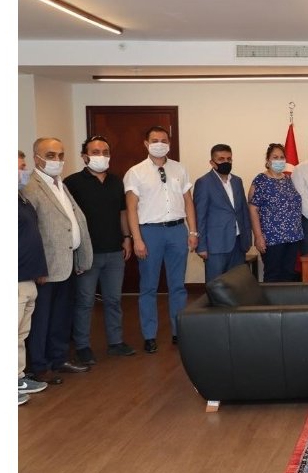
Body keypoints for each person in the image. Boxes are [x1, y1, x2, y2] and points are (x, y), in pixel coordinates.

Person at [22, 138, 94, 382]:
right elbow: (31, 232)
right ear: (37, 158)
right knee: (42, 319)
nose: (57, 160)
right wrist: (38, 267)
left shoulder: (59, 183)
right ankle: (39, 366)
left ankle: (58, 358)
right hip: (46, 267)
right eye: (51, 155)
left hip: (67, 262)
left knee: (62, 316)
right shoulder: (30, 187)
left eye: (61, 155)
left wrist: (80, 256)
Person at [124, 125, 197, 353]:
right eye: (155, 140)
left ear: (169, 143)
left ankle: (178, 332)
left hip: (177, 231)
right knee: (149, 286)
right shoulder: (135, 172)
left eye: (164, 140)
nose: (160, 144)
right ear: (146, 144)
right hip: (150, 233)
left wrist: (193, 231)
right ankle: (149, 335)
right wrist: (137, 239)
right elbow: (131, 208)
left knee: (178, 286)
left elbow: (188, 201)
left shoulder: (179, 168)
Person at [64, 135, 136, 365]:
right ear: (84, 156)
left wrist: (127, 238)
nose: (101, 156)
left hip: (114, 252)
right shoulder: (72, 183)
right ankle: (82, 347)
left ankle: (116, 342)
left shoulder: (116, 181)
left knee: (113, 300)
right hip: (87, 253)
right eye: (95, 152)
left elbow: (122, 212)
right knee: (85, 302)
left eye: (105, 152)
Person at [194, 143, 253, 282]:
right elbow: (200, 216)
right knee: (217, 285)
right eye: (221, 159)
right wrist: (201, 246)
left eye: (229, 159)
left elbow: (244, 211)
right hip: (215, 245)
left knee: (237, 284)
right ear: (212, 162)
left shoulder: (237, 181)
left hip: (238, 243)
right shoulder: (203, 182)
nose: (226, 162)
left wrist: (248, 239)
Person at [249, 144, 304, 282]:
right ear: (268, 160)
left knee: (289, 274)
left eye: (281, 157)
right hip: (272, 238)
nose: (279, 160)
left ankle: (285, 297)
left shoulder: (288, 179)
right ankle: (271, 298)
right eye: (275, 157)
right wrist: (258, 236)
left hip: (293, 237)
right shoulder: (261, 180)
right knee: (273, 275)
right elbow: (253, 209)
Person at [18, 151, 48, 404]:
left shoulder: (21, 199)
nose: (23, 171)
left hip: (27, 277)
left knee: (20, 333)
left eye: (23, 165)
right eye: (20, 167)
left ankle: (17, 378)